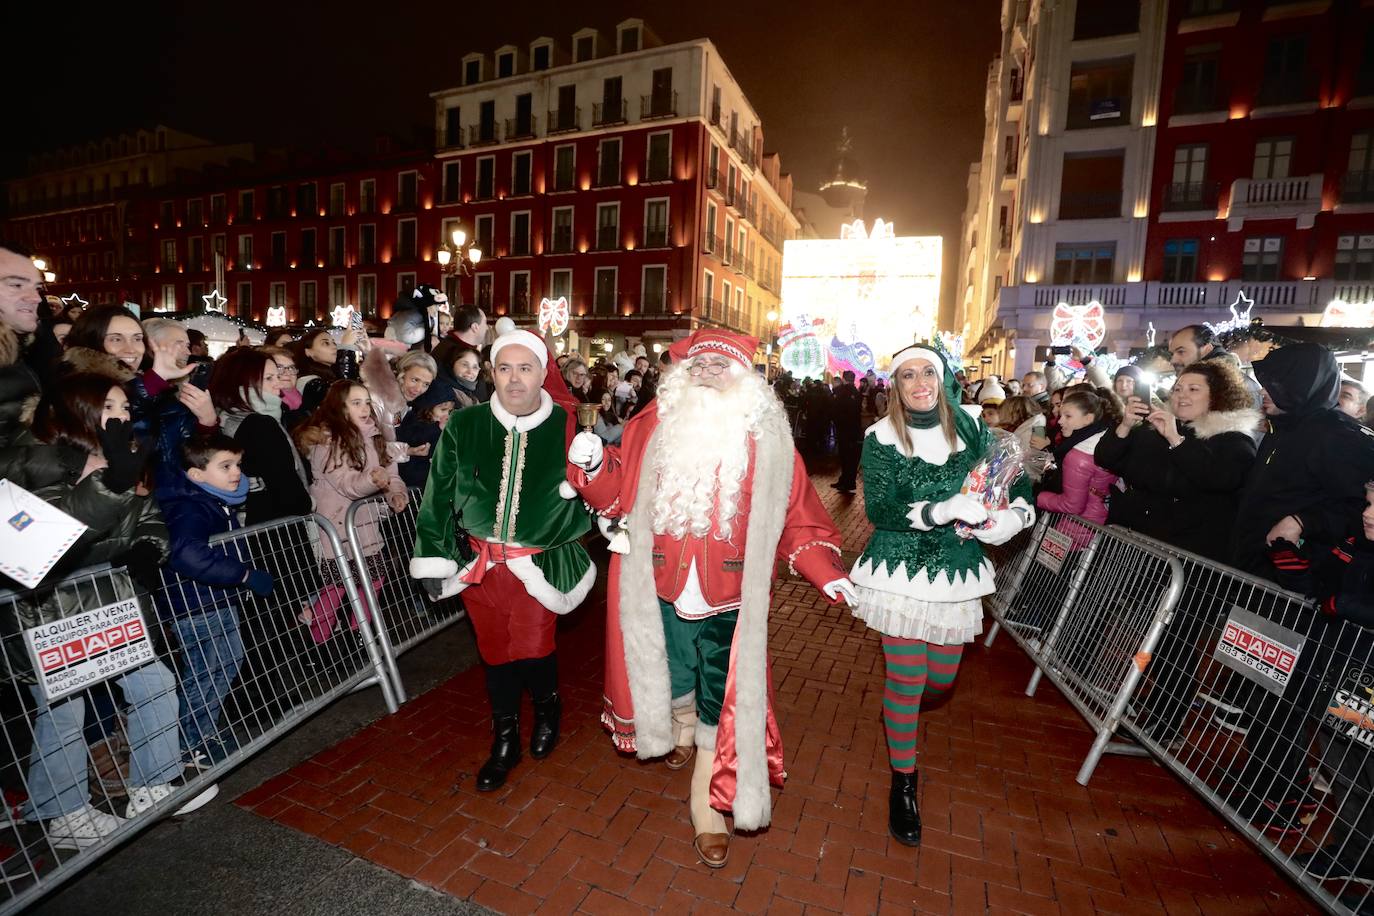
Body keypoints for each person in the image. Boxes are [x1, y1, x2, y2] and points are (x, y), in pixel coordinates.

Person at [567, 329, 852, 868]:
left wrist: (823, 568)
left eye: (722, 367)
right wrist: (591, 467)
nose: (706, 374)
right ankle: (674, 725)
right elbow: (615, 494)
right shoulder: (650, 425)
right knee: (669, 673)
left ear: (746, 378)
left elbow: (798, 517)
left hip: (732, 595)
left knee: (719, 697)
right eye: (698, 366)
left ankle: (705, 804)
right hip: (657, 587)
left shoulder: (769, 440)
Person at [7, 374, 217, 846]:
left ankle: (151, 786)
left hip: (108, 605)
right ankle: (63, 815)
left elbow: (150, 516)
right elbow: (44, 542)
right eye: (109, 405)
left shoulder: (116, 454)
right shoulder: (31, 458)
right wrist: (111, 481)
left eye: (124, 404)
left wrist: (149, 547)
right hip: (46, 610)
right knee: (61, 706)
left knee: (155, 682)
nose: (121, 415)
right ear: (77, 409)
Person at [848, 344, 1033, 847]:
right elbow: (881, 508)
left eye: (928, 371)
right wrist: (940, 508)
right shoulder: (880, 436)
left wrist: (1014, 516)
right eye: (907, 374)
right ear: (897, 387)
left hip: (957, 571)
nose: (919, 382)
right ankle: (904, 781)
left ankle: (900, 709)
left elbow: (1015, 483)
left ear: (943, 376)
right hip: (899, 570)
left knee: (943, 680)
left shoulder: (974, 428)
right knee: (907, 680)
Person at [411, 329, 594, 793]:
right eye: (505, 368)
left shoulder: (570, 426)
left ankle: (549, 707)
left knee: (532, 648)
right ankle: (505, 738)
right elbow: (436, 498)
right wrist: (433, 557)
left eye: (525, 368)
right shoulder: (464, 425)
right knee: (495, 654)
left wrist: (596, 472)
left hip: (543, 565)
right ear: (492, 373)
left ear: (542, 373)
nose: (514, 379)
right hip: (481, 566)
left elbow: (602, 491)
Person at [157, 433, 275, 767]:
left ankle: (202, 734)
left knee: (225, 663)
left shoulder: (210, 501)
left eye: (238, 464)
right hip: (195, 604)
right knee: (206, 671)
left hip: (214, 599)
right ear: (196, 475)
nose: (237, 472)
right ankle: (188, 743)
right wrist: (243, 575)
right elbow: (185, 552)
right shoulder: (190, 507)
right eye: (226, 466)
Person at [1233, 343, 1374, 594]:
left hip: (1296, 582)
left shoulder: (1338, 437)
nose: (1264, 391)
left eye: (1276, 384)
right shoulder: (1281, 426)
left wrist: (1303, 521)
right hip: (1256, 570)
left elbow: (1359, 506)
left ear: (1301, 384)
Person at [1094, 360, 1259, 562]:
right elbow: (1106, 459)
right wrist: (1126, 425)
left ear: (1217, 395)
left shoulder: (1232, 439)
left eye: (1193, 389)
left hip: (1186, 556)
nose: (1182, 395)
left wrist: (1176, 440)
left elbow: (1219, 478)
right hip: (1135, 545)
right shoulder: (1158, 427)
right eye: (1178, 388)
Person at [297, 380, 409, 644]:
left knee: (375, 579)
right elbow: (347, 485)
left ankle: (361, 634)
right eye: (356, 402)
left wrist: (396, 493)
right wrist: (373, 480)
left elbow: (391, 471)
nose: (365, 408)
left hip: (366, 524)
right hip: (337, 526)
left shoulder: (376, 435)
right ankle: (318, 641)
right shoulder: (326, 442)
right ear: (339, 407)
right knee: (337, 586)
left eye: (367, 402)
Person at [209, 347, 312, 525]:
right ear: (244, 381)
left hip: (249, 524)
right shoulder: (261, 425)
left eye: (277, 377)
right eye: (269, 378)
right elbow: (288, 491)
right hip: (277, 532)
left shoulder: (226, 418)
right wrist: (308, 503)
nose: (278, 385)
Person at [129, 318, 219, 478]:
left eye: (187, 345)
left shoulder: (179, 386)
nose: (188, 352)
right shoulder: (132, 386)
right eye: (180, 343)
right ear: (151, 345)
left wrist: (208, 423)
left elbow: (188, 448)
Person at [1035, 388, 1120, 528]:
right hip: (1095, 522)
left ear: (1088, 418)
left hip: (1074, 527)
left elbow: (1071, 505)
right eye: (1061, 415)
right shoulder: (1105, 439)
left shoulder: (1079, 455)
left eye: (1068, 416)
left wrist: (1036, 496)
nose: (1060, 421)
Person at [396, 380, 457, 489]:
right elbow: (414, 438)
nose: (446, 414)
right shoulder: (413, 420)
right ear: (429, 408)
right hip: (415, 476)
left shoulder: (445, 424)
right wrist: (437, 428)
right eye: (443, 409)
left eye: (450, 410)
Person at [832, 370, 863, 493]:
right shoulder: (857, 393)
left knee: (845, 456)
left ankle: (847, 482)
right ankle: (847, 480)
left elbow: (835, 409)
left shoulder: (841, 392)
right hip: (854, 428)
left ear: (844, 379)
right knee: (852, 456)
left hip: (843, 428)